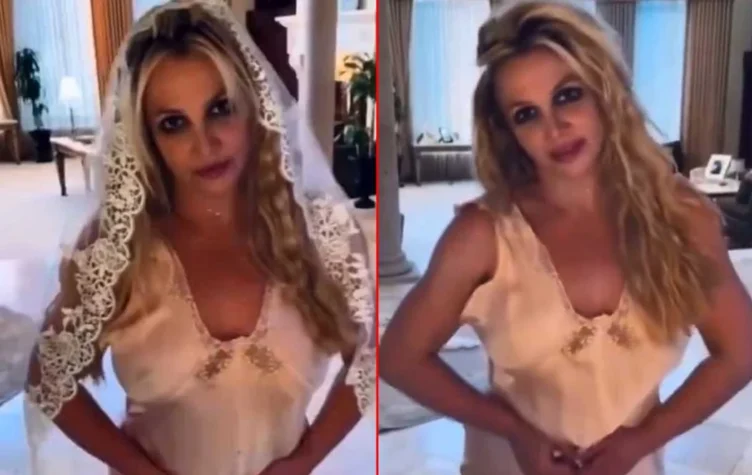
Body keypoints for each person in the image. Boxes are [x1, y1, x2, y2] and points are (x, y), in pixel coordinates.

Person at [379, 1, 752, 474]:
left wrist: (642, 440)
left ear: (605, 90)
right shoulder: (483, 235)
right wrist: (512, 429)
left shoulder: (681, 219)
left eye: (568, 95)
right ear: (508, 132)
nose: (554, 128)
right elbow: (399, 358)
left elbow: (740, 354)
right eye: (526, 114)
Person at [23, 2, 375, 474]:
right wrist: (138, 468)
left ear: (253, 106)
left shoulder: (320, 234)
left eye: (219, 109)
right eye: (173, 123)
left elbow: (369, 359)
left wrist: (308, 457)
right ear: (148, 138)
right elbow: (47, 375)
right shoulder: (120, 247)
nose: (204, 143)